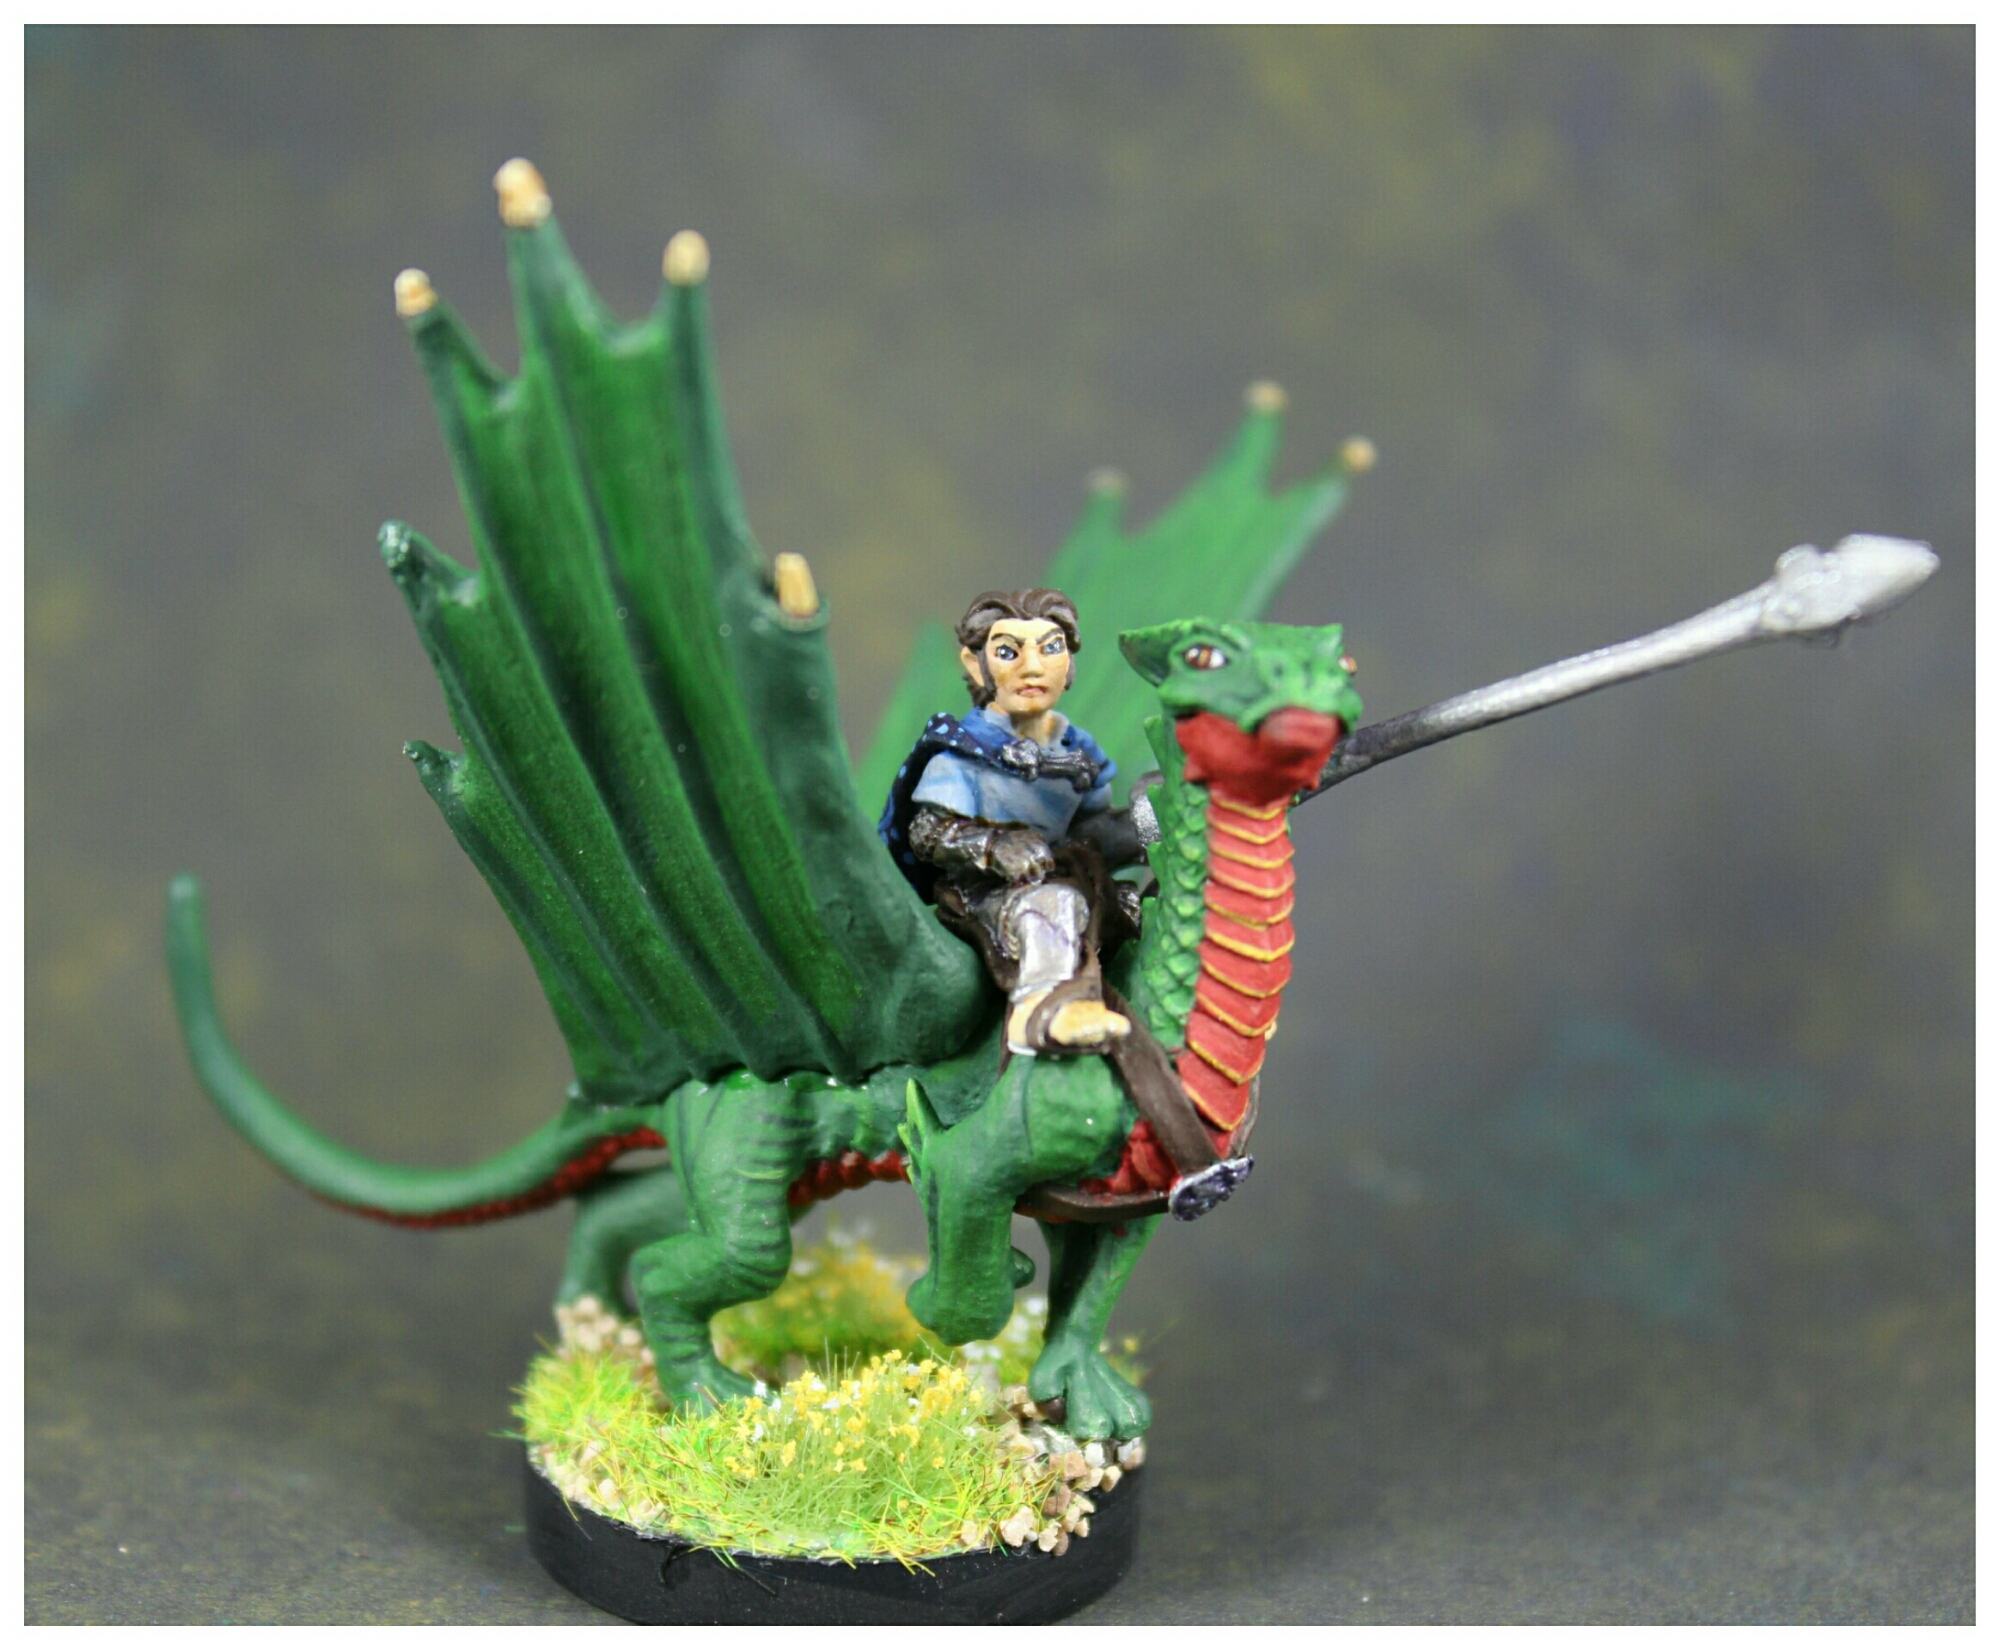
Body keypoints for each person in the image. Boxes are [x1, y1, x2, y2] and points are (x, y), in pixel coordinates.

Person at [878, 588, 1144, 1056]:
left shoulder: (1074, 749)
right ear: (976, 664)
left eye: (1051, 648)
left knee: (1137, 885)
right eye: (1008, 653)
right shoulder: (963, 754)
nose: (1033, 667)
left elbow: (1093, 828)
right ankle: (1041, 1012)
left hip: (1062, 869)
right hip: (985, 893)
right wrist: (993, 847)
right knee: (1052, 905)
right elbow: (927, 833)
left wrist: (1153, 822)